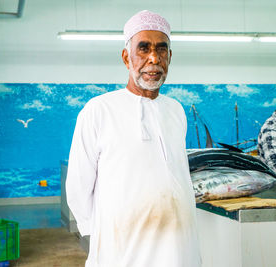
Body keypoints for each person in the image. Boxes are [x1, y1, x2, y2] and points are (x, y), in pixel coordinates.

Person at [66, 10, 201, 267]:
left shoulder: (176, 111)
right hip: (122, 252)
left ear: (170, 57)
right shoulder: (98, 110)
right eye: (143, 48)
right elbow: (78, 186)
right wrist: (104, 239)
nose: (154, 58)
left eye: (162, 49)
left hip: (181, 249)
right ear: (126, 57)